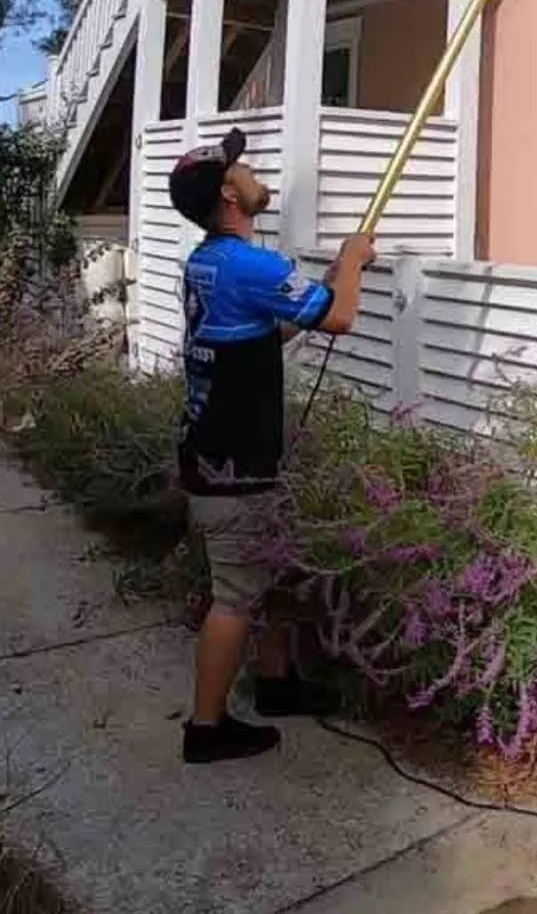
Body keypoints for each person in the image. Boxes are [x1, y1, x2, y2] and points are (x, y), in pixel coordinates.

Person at [167, 126, 376, 764]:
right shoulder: (248, 265)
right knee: (235, 595)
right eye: (243, 167)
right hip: (235, 463)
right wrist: (354, 266)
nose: (254, 171)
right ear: (231, 194)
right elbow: (339, 318)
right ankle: (205, 729)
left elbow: (256, 331)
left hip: (218, 449)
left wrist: (333, 278)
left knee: (278, 569)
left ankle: (278, 680)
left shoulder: (207, 262)